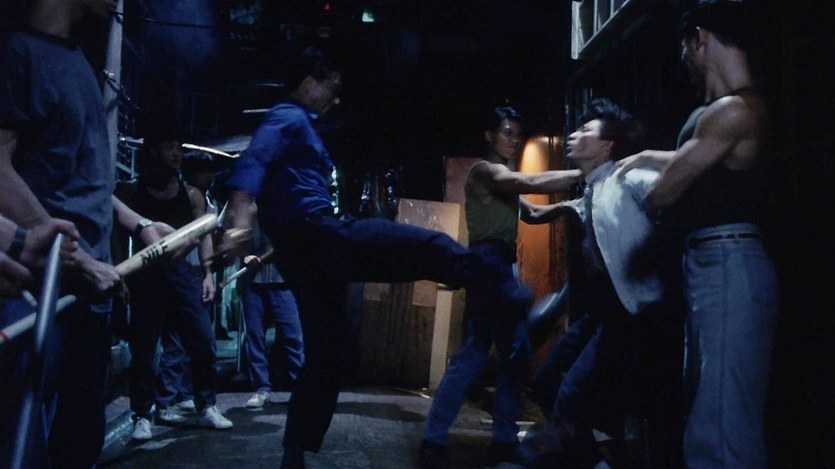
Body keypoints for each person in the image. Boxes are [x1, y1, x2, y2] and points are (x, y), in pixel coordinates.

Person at [218, 44, 533, 469]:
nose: (336, 99)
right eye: (332, 88)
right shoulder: (286, 116)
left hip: (302, 253)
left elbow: (269, 193)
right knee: (430, 246)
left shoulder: (299, 125)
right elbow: (249, 172)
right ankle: (499, 290)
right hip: (321, 236)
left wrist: (256, 233)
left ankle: (294, 453)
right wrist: (238, 226)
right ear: (309, 82)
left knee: (326, 356)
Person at [0, 1, 178, 466]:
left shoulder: (78, 60)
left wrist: (138, 224)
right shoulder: (19, 53)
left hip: (90, 292)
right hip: (44, 294)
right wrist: (76, 260)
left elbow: (84, 180)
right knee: (26, 443)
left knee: (79, 441)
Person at [616, 2, 778, 467]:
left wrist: (628, 193)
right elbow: (698, 160)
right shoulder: (725, 113)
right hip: (715, 264)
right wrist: (646, 158)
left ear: (700, 39)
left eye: (685, 50)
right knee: (714, 412)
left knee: (722, 426)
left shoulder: (733, 111)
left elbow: (665, 192)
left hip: (727, 265)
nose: (685, 61)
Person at [419, 105, 580, 469]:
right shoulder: (486, 171)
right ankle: (442, 440)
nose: (514, 139)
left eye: (517, 134)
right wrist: (583, 170)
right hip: (487, 264)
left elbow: (534, 213)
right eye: (507, 132)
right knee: (482, 355)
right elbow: (529, 183)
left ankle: (493, 441)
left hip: (503, 266)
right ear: (490, 136)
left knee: (505, 355)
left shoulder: (504, 183)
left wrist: (573, 206)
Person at [529, 98, 684, 468]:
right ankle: (596, 459)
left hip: (636, 311)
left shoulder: (628, 178)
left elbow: (681, 180)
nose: (574, 135)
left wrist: (650, 159)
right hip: (603, 313)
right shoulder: (591, 190)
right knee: (547, 382)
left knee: (576, 396)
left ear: (607, 145)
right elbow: (566, 208)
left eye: (586, 130)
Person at [115, 131, 232, 441]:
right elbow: (118, 235)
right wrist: (121, 276)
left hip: (183, 275)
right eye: (169, 147)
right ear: (153, 151)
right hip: (145, 277)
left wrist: (207, 273)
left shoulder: (191, 194)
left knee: (202, 342)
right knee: (144, 351)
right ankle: (142, 414)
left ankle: (206, 405)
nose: (176, 153)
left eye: (179, 148)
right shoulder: (130, 191)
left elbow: (204, 233)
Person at [237, 213, 304, 409]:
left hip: (282, 280)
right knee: (255, 338)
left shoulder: (285, 207)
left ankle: (300, 388)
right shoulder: (244, 204)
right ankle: (261, 389)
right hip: (251, 280)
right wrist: (243, 254)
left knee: (293, 337)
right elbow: (227, 235)